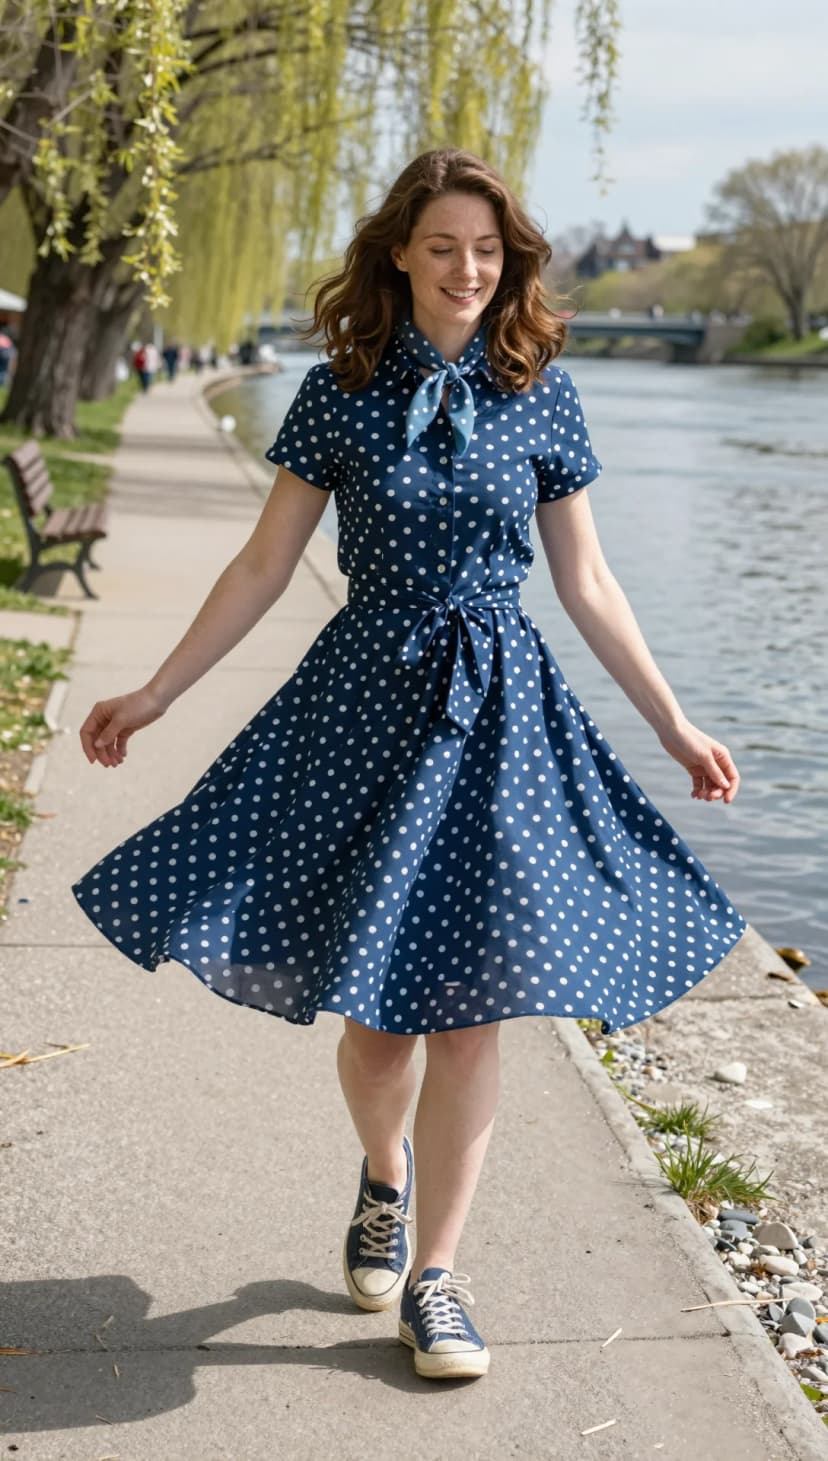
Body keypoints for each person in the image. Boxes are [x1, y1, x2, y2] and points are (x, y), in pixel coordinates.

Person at [71, 147, 747, 1383]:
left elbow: (587, 583)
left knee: (474, 1015)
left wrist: (672, 722)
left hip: (499, 717)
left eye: (487, 251)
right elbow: (265, 565)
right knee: (381, 1031)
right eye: (443, 247)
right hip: (362, 709)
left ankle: (437, 1273)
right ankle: (384, 1175)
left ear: (512, 262)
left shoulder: (544, 390)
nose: (468, 270)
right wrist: (157, 693)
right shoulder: (341, 388)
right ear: (400, 253)